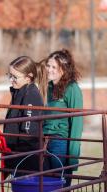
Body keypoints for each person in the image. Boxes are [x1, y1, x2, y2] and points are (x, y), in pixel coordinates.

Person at [43, 49, 83, 187]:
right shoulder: (47, 87)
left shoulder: (72, 89)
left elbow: (77, 123)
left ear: (64, 69)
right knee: (45, 184)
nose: (49, 69)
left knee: (60, 184)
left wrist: (72, 157)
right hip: (43, 141)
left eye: (54, 67)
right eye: (48, 66)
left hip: (60, 142)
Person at [3, 56, 48, 176]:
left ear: (28, 77)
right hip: (16, 155)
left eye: (15, 77)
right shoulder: (18, 92)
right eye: (9, 75)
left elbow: (28, 132)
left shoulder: (31, 95)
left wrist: (16, 157)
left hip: (25, 159)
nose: (11, 80)